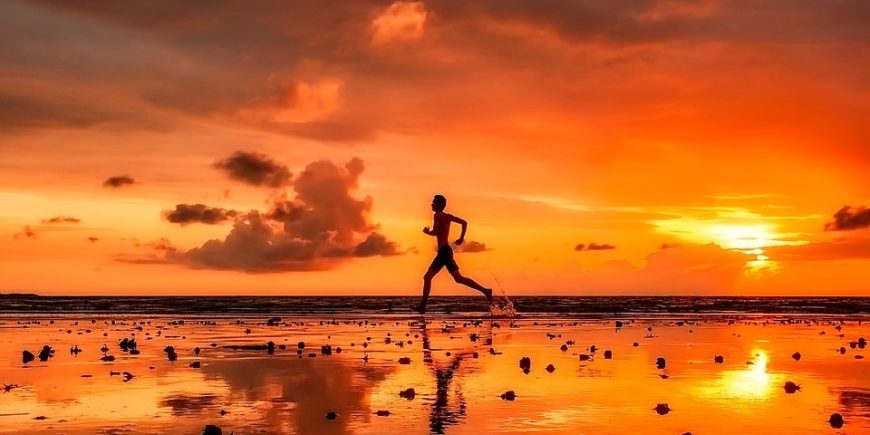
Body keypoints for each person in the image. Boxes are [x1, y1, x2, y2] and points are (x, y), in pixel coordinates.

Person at [412, 194, 492, 314]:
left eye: (433, 202)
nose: (431, 204)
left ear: (439, 204)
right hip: (446, 251)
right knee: (459, 278)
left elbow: (436, 232)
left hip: (444, 252)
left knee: (427, 277)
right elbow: (464, 223)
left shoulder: (437, 216)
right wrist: (461, 238)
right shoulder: (448, 216)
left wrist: (427, 232)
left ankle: (423, 306)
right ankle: (486, 291)